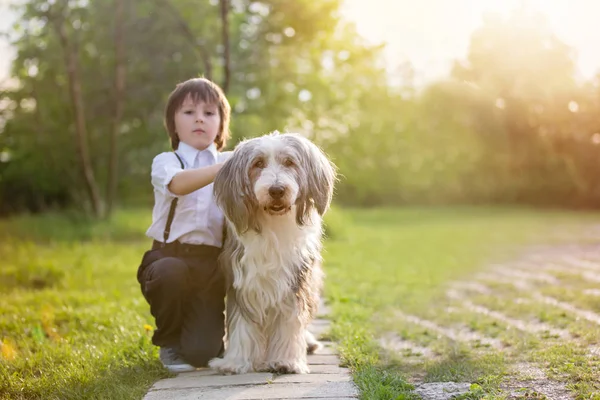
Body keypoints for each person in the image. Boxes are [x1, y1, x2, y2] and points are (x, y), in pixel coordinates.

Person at [137, 77, 232, 373]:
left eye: (209, 113)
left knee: (203, 353)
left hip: (210, 265)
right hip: (168, 257)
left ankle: (202, 335)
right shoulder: (167, 161)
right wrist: (225, 169)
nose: (200, 119)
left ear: (220, 124)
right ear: (173, 124)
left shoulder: (231, 160)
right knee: (171, 273)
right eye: (189, 112)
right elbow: (177, 185)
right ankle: (168, 340)